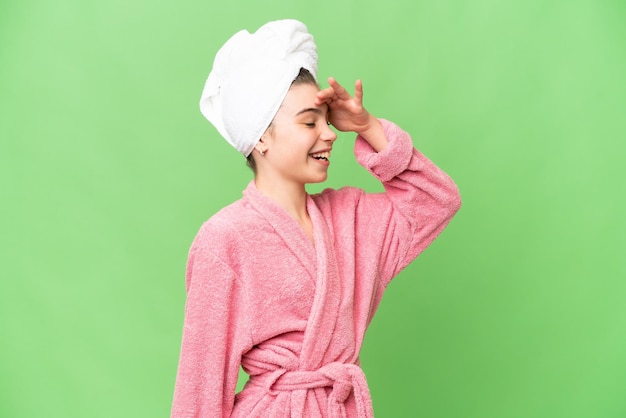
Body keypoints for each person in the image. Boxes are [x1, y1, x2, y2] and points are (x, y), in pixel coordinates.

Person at [171, 19, 461, 417]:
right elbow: (199, 390)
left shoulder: (352, 218)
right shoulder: (225, 239)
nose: (329, 134)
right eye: (310, 122)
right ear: (261, 137)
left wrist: (369, 128)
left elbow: (436, 202)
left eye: (327, 120)